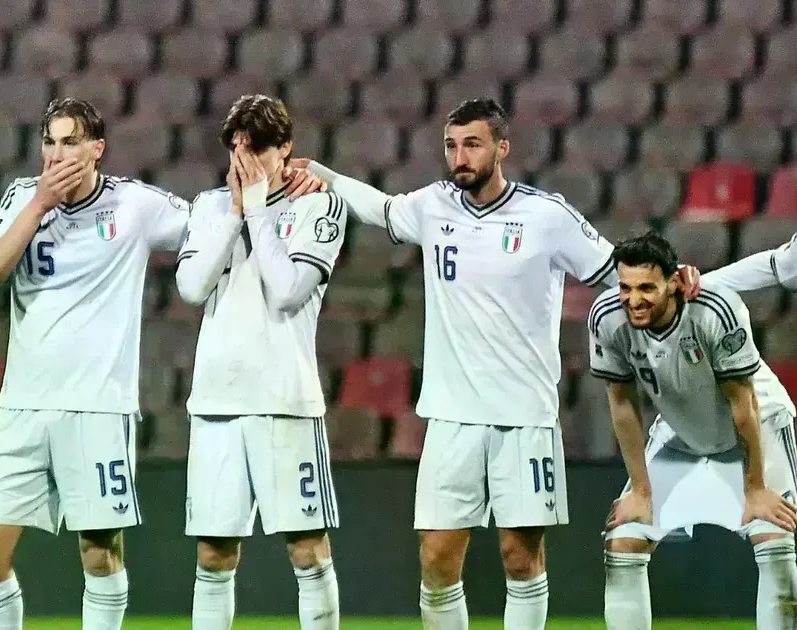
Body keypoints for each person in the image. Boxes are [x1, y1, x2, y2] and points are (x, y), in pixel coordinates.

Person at [281, 98, 696, 630]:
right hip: (451, 417)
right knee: (435, 559)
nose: (460, 156)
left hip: (524, 416)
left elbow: (617, 271)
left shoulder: (548, 216)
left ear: (502, 147)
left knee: (521, 560)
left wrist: (672, 274)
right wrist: (322, 174)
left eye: (472, 144)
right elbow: (380, 207)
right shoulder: (433, 206)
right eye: (451, 145)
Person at [0, 97, 190, 630]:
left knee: (99, 554)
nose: (58, 153)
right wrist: (38, 206)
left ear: (97, 149)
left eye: (70, 141)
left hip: (96, 408)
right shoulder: (23, 197)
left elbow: (209, 225)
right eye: (50, 141)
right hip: (21, 407)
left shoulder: (134, 206)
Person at [176, 94, 344, 630]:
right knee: (213, 556)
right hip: (216, 400)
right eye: (237, 151)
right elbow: (191, 286)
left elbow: (289, 290)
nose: (244, 163)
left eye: (258, 151)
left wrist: (257, 208)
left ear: (286, 149)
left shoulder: (318, 205)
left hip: (284, 399)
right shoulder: (206, 207)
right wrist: (234, 213)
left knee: (307, 550)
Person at [588, 231, 797, 629]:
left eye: (647, 287)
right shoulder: (607, 318)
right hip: (682, 434)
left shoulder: (713, 309)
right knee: (624, 541)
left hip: (758, 426)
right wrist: (641, 489)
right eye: (625, 287)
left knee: (775, 543)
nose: (634, 300)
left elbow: (745, 404)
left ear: (673, 281)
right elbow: (622, 404)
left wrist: (754, 488)